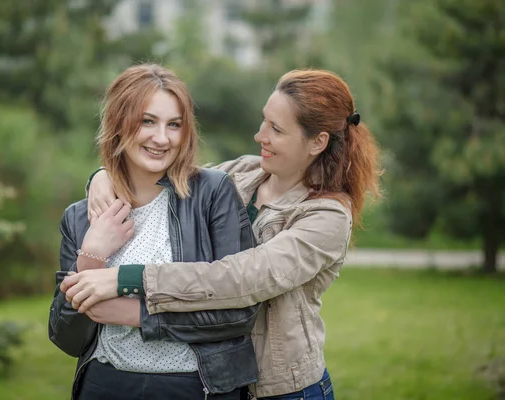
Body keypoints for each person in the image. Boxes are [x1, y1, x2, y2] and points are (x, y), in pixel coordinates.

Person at [62, 68, 381, 399]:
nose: (260, 136)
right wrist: (101, 176)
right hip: (224, 380)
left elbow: (239, 277)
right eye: (263, 121)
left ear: (317, 142)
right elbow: (161, 170)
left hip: (283, 389)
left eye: (276, 129)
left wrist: (127, 279)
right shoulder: (242, 172)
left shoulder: (326, 217)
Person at [48, 64, 261, 400]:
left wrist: (141, 316)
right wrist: (91, 257)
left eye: (174, 125)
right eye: (148, 121)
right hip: (106, 385)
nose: (162, 139)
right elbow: (66, 337)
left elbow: (239, 311)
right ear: (119, 124)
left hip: (197, 387)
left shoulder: (211, 194)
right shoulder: (80, 216)